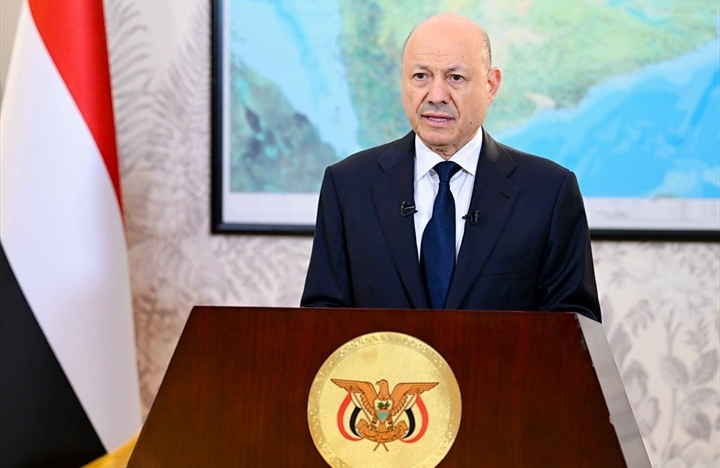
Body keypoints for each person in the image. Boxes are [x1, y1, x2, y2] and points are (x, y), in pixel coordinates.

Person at [301, 13, 601, 322]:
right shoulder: (348, 186)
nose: (436, 96)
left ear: (491, 85)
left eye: (455, 77)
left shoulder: (549, 192)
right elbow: (321, 320)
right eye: (421, 76)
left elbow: (574, 328)